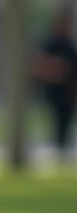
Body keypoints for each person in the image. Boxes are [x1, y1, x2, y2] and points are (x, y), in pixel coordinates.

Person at [34, 11, 77, 161]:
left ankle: (63, 148)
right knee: (57, 121)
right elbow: (40, 65)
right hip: (54, 91)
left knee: (67, 120)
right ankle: (59, 148)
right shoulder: (50, 44)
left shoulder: (70, 45)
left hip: (68, 91)